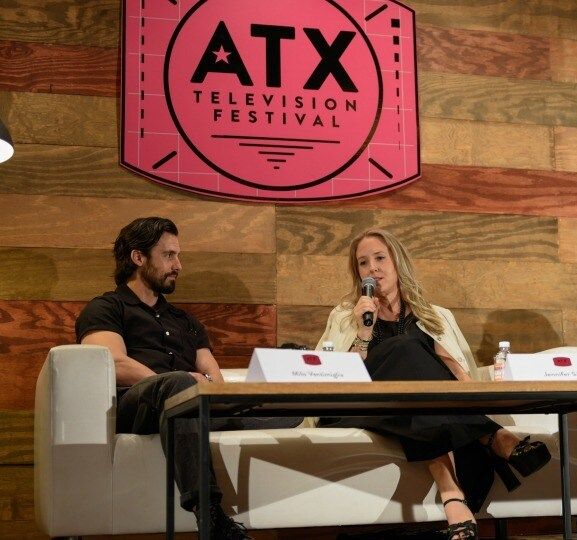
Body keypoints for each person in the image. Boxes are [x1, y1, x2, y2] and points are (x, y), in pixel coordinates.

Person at [316, 229, 552, 540]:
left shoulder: (435, 317)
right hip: (360, 407)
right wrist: (362, 333)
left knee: (418, 378)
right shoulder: (347, 315)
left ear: (397, 263)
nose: (372, 268)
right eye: (363, 263)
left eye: (379, 258)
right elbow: (334, 379)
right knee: (405, 349)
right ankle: (490, 436)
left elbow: (460, 376)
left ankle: (452, 493)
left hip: (413, 413)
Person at [75, 217, 301, 540]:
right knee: (180, 389)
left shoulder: (186, 321)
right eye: (169, 255)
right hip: (135, 406)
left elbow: (212, 373)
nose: (178, 265)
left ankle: (199, 411)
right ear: (138, 258)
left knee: (289, 408)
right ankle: (210, 516)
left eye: (178, 256)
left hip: (189, 408)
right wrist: (180, 384)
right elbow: (111, 361)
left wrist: (220, 395)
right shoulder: (106, 307)